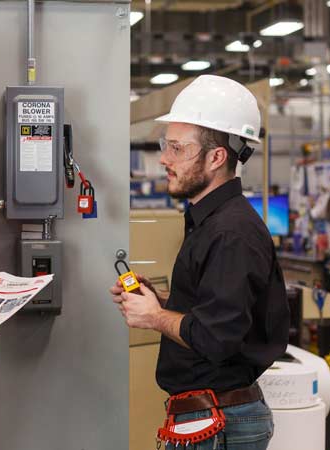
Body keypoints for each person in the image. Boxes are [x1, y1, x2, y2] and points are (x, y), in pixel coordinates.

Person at [110, 75, 289, 450]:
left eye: (177, 148)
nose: (164, 159)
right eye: (166, 145)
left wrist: (155, 318)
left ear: (216, 157)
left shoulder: (231, 233)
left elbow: (217, 337)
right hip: (209, 418)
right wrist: (161, 303)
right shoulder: (210, 224)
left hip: (218, 423)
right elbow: (213, 314)